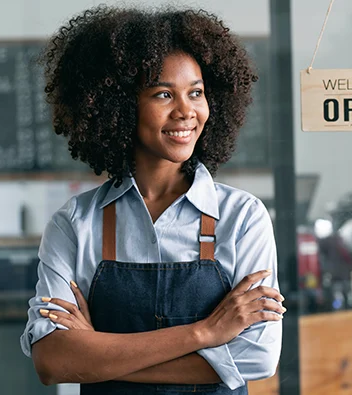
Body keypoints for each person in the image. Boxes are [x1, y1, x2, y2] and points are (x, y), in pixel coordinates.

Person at [19, 5, 284, 394]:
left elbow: (257, 358)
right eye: (163, 94)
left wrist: (98, 357)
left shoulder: (242, 217)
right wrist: (205, 333)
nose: (186, 111)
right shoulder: (76, 222)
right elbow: (52, 360)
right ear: (122, 105)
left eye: (196, 92)